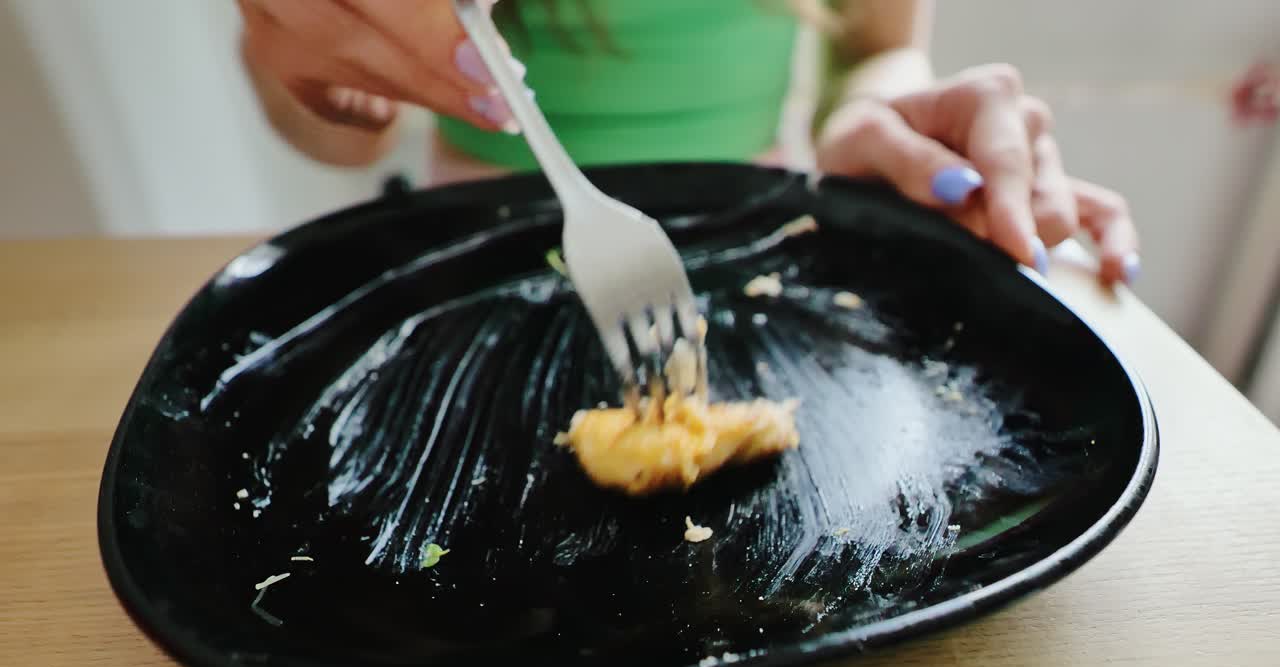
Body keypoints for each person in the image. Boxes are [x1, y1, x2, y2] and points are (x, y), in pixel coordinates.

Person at [236, 0, 1139, 285]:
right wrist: (310, 66)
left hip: (755, 255)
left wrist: (890, 119)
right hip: (474, 261)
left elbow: (880, 45)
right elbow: (346, 143)